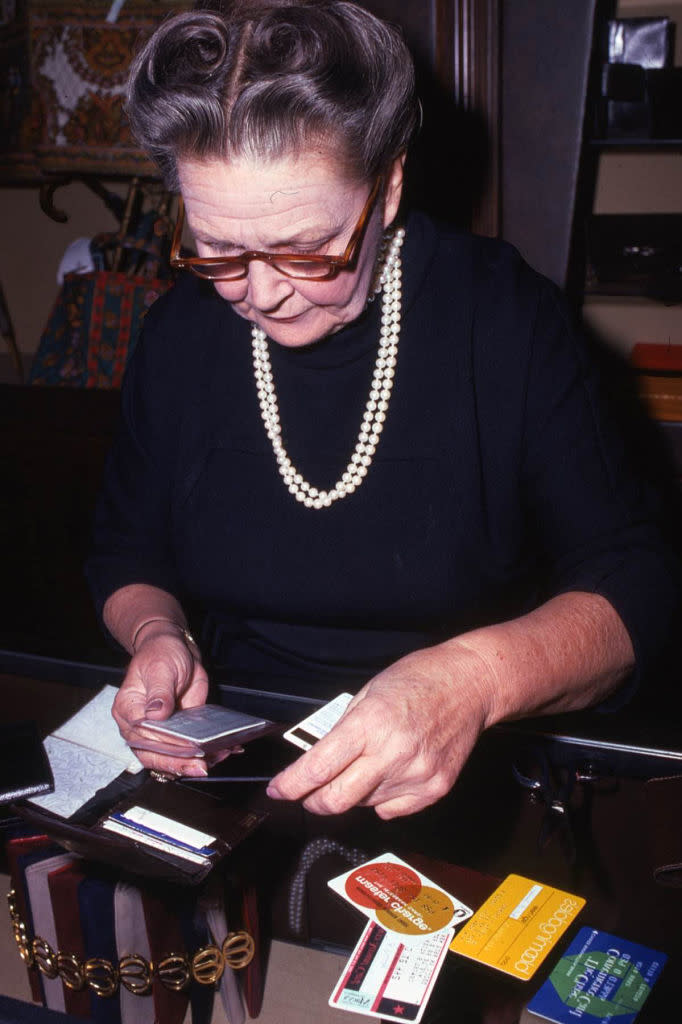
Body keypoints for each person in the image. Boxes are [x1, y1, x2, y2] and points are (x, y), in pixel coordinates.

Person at [87, 0, 679, 821]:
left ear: (389, 185)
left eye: (306, 247)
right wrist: (160, 635)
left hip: (469, 762)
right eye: (217, 251)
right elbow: (126, 547)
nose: (259, 293)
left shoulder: (503, 317)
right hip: (242, 759)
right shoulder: (178, 333)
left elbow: (644, 586)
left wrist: (473, 679)